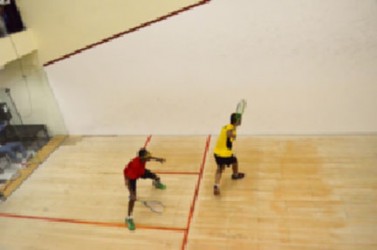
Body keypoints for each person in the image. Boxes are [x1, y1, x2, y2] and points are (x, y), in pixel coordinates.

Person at [123, 148, 166, 230]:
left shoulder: (143, 159)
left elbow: (150, 157)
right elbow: (128, 177)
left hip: (141, 172)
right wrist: (131, 192)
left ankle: (156, 183)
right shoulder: (135, 166)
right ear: (142, 158)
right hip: (132, 177)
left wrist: (158, 159)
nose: (148, 158)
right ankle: (128, 218)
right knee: (132, 198)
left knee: (156, 176)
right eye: (147, 157)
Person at [213, 113, 245, 195]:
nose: (241, 120)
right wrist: (233, 135)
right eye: (240, 119)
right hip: (225, 154)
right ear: (237, 121)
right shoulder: (231, 128)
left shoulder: (226, 126)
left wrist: (233, 134)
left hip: (217, 153)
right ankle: (235, 175)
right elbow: (228, 134)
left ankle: (216, 185)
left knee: (219, 169)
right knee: (235, 160)